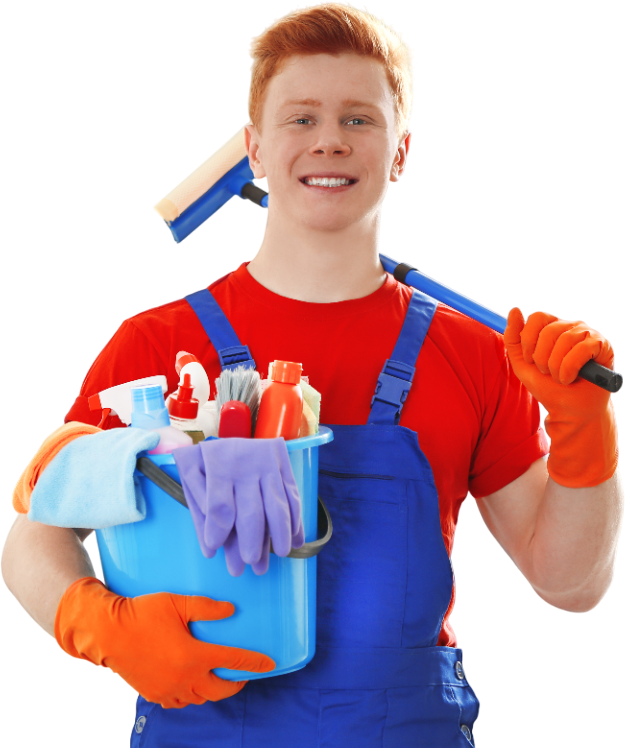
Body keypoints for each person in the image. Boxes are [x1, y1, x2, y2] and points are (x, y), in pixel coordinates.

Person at [3, 3, 621, 747]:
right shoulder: (156, 343)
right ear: (254, 150)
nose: (329, 140)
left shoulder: (471, 353)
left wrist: (583, 428)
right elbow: (32, 537)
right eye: (301, 119)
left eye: (359, 119)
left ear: (400, 152)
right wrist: (95, 623)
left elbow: (571, 587)